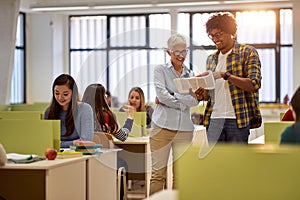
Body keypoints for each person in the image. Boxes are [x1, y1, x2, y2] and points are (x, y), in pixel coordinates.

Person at [195, 12, 262, 144]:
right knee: (217, 164)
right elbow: (211, 94)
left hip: (237, 120)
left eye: (218, 35)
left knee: (236, 163)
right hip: (214, 120)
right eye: (212, 36)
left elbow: (253, 84)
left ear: (231, 32)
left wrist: (225, 75)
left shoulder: (247, 52)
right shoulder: (211, 59)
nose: (215, 39)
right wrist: (202, 95)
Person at [149, 33, 202, 195]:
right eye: (176, 52)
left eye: (184, 51)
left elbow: (195, 101)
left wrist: (173, 97)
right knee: (158, 174)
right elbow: (161, 95)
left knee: (181, 175)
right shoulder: (160, 70)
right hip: (161, 128)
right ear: (168, 52)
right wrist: (183, 100)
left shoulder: (190, 74)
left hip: (184, 130)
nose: (181, 56)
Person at [44, 74, 94, 148]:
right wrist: (73, 143)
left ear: (73, 93)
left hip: (78, 154)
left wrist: (60, 144)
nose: (60, 97)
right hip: (55, 154)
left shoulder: (84, 109)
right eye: (56, 93)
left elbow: (86, 140)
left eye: (65, 94)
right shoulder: (48, 112)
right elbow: (46, 141)